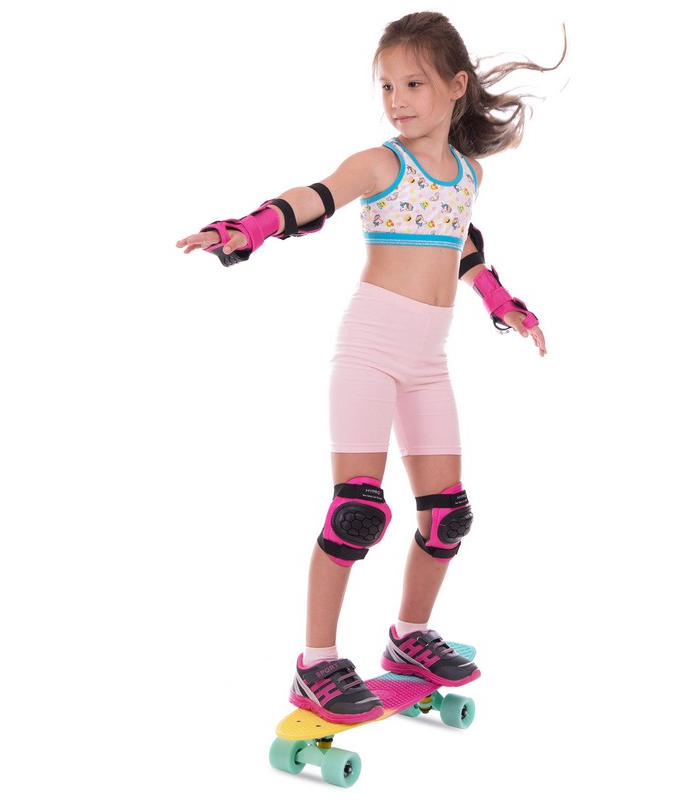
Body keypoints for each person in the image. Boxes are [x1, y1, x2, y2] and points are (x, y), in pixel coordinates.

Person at [176, 11, 564, 724]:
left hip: (429, 363)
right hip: (370, 350)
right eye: (386, 85)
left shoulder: (469, 174)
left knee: (447, 517)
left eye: (414, 83)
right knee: (356, 513)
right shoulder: (380, 163)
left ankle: (410, 638)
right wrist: (247, 228)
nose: (397, 99)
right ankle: (315, 664)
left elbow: (461, 243)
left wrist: (503, 304)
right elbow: (311, 198)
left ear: (457, 85)